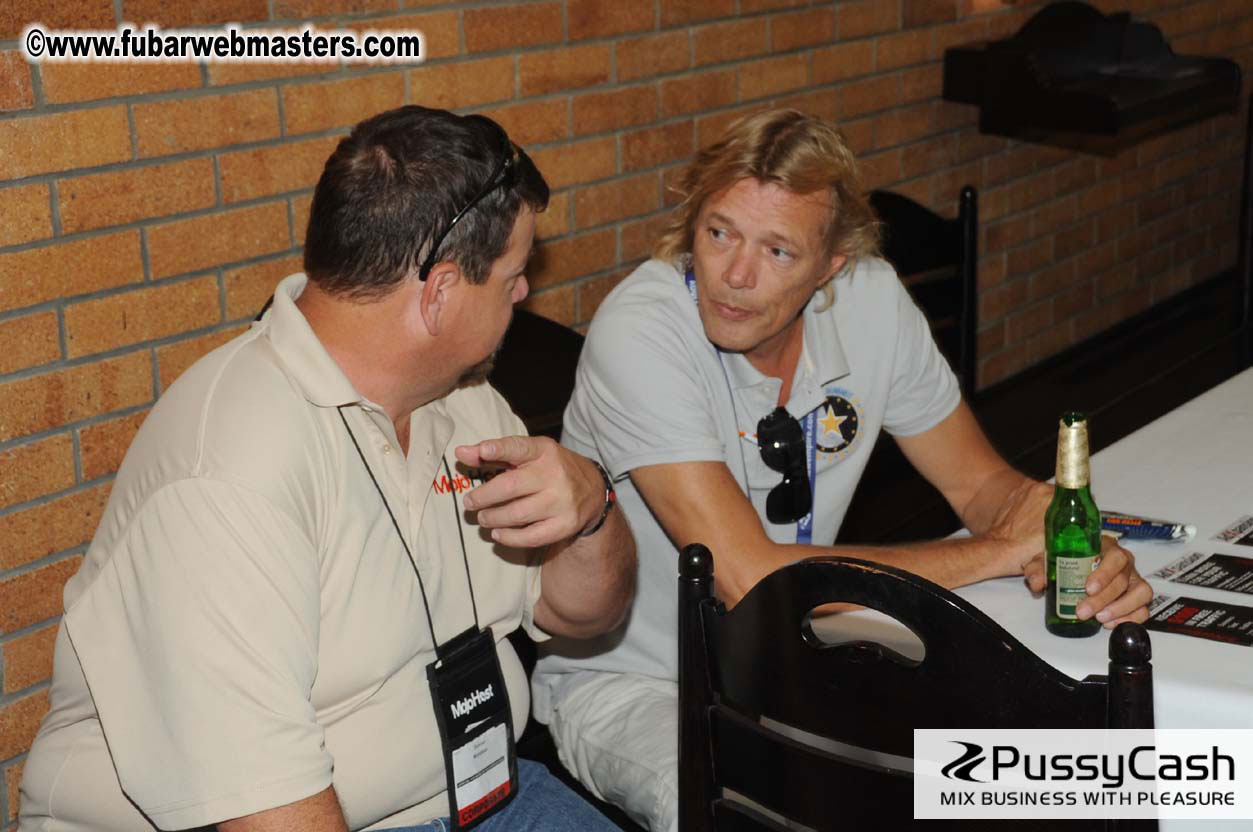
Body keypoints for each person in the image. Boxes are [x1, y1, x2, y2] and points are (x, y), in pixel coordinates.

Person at [531, 108, 1154, 832]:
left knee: (1042, 783)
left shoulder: (868, 298)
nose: (733, 276)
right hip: (643, 685)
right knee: (777, 813)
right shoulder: (639, 331)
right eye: (718, 232)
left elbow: (980, 485)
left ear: (831, 264)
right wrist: (990, 553)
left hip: (802, 659)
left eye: (777, 252)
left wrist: (1066, 546)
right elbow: (756, 579)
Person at [19, 106, 635, 832]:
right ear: (438, 293)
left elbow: (585, 612)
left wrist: (591, 505)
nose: (525, 291)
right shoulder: (226, 467)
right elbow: (266, 814)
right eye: (513, 272)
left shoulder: (469, 401)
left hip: (473, 795)